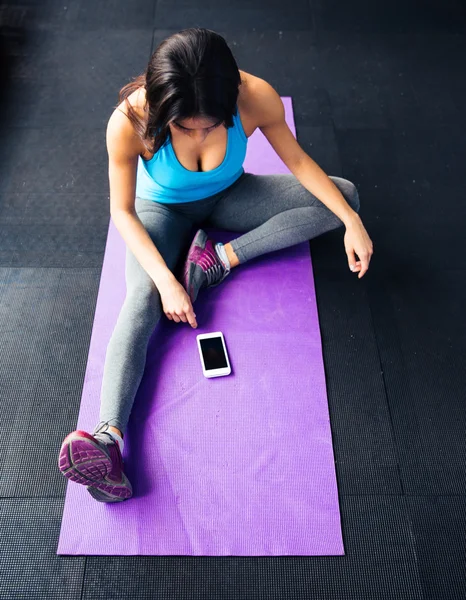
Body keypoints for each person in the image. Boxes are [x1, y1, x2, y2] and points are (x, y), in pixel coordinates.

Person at [58, 27, 373, 503]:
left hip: (230, 198)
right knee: (142, 297)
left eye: (211, 125)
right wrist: (166, 282)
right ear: (165, 110)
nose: (200, 134)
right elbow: (121, 212)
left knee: (343, 196)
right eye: (186, 127)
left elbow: (299, 163)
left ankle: (217, 259)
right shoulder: (129, 120)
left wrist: (351, 222)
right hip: (160, 211)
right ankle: (109, 439)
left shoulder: (255, 96)